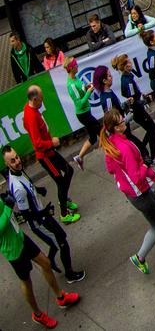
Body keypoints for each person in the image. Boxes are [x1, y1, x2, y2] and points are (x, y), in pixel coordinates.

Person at [99, 109, 155, 275]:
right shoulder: (123, 147)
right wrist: (145, 165)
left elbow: (110, 169)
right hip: (140, 193)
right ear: (116, 127)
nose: (125, 122)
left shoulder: (111, 144)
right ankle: (140, 257)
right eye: (122, 121)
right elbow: (137, 178)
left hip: (135, 192)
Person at [3, 145, 85, 281]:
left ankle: (51, 260)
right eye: (12, 161)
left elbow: (27, 184)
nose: (17, 161)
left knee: (56, 241)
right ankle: (69, 274)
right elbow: (26, 215)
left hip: (42, 215)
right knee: (62, 241)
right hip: (39, 222)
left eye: (17, 157)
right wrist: (43, 213)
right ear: (7, 164)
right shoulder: (18, 189)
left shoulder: (17, 171)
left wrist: (38, 190)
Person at [0, 196, 81, 329]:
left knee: (45, 263)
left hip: (20, 237)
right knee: (26, 282)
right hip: (13, 250)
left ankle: (61, 298)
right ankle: (37, 314)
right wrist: (8, 208)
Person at [22, 86, 79, 224]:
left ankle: (63, 200)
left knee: (68, 170)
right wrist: (51, 143)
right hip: (45, 156)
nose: (43, 101)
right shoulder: (31, 116)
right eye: (41, 98)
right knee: (60, 180)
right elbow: (37, 144)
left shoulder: (31, 108)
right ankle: (64, 214)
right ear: (34, 99)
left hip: (50, 152)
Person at [113, 53, 155, 165]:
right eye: (129, 62)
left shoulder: (127, 78)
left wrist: (141, 95)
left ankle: (143, 152)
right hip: (138, 111)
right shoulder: (127, 81)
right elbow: (132, 99)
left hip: (138, 110)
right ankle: (150, 155)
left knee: (151, 128)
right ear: (125, 66)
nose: (131, 64)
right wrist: (145, 100)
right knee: (152, 128)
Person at [64, 58, 100, 170]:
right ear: (71, 68)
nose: (77, 66)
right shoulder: (71, 85)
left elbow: (81, 89)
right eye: (75, 65)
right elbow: (79, 103)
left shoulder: (76, 78)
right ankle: (114, 152)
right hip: (83, 114)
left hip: (86, 111)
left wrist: (86, 87)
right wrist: (89, 92)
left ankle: (79, 157)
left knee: (93, 137)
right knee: (101, 131)